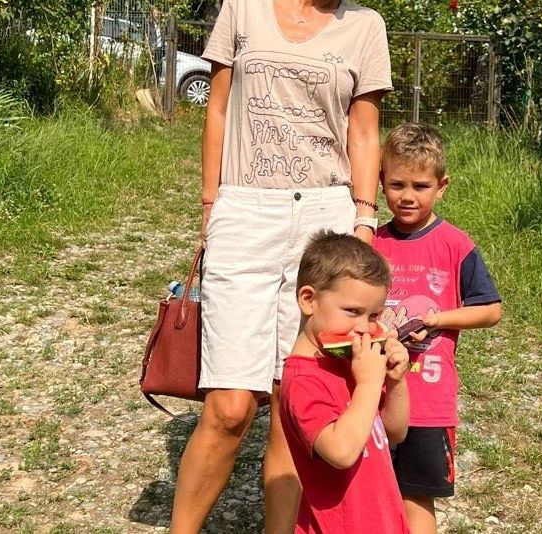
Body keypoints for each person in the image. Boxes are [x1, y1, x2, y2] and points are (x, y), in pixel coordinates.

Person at [168, 0, 392, 531]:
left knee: (291, 399)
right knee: (229, 407)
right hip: (245, 209)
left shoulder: (366, 26)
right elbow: (217, 108)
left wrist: (364, 221)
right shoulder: (243, 8)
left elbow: (364, 132)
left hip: (326, 214)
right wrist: (211, 203)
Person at [372, 123, 503, 534]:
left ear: (442, 187)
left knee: (415, 496)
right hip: (370, 396)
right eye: (397, 184)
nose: (407, 196)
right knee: (369, 492)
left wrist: (436, 319)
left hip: (428, 402)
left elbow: (490, 310)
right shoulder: (371, 243)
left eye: (421, 186)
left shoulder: (456, 245)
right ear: (380, 181)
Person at [279, 231, 411, 533]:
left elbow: (395, 432)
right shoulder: (303, 379)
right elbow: (340, 452)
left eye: (374, 315)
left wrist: (395, 381)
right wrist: (368, 385)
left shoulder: (351, 364)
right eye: (352, 311)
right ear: (309, 300)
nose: (364, 327)